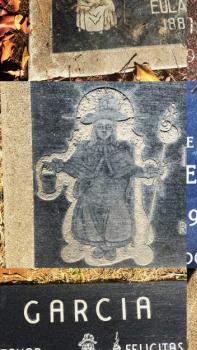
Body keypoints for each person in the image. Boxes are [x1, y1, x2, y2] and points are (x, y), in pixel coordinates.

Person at [44, 96, 159, 261]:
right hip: (91, 190)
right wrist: (59, 166)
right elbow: (73, 166)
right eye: (100, 127)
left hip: (115, 192)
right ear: (95, 129)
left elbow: (131, 168)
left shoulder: (123, 148)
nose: (104, 130)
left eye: (108, 127)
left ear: (113, 129)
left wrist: (147, 172)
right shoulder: (85, 147)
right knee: (89, 212)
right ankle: (99, 244)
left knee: (116, 212)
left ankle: (110, 245)